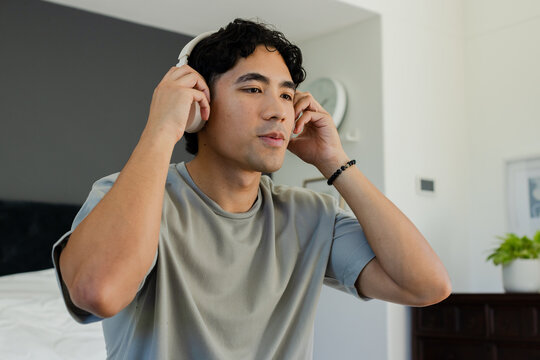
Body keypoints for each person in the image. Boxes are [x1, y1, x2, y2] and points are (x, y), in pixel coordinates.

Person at [52, 18, 451, 359]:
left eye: (286, 94)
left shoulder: (312, 215)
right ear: (199, 102)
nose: (278, 109)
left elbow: (427, 285)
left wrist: (335, 162)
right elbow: (99, 292)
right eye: (253, 88)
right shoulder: (125, 198)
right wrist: (162, 128)